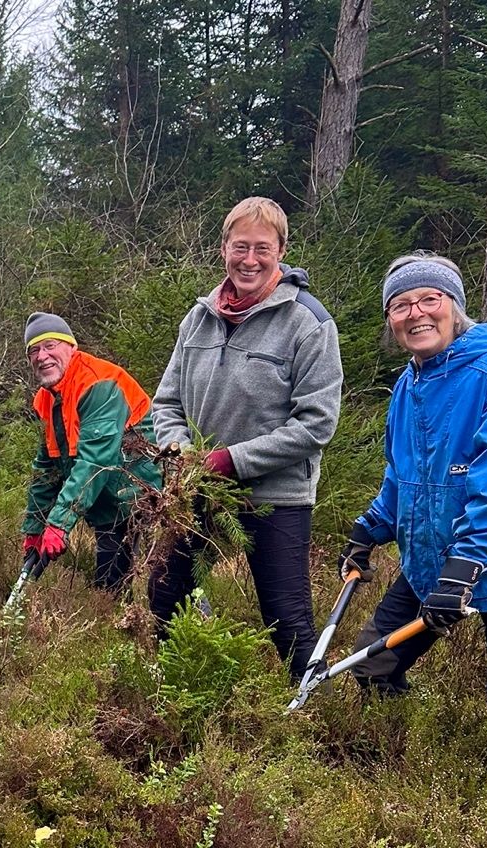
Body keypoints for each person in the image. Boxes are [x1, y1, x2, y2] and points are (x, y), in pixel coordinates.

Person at [150, 196, 343, 680]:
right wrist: (180, 451)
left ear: (281, 251)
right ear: (224, 249)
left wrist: (230, 460)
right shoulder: (199, 318)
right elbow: (166, 402)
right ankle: (175, 693)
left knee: (287, 619)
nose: (250, 259)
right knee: (165, 595)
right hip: (196, 487)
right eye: (240, 246)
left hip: (276, 494)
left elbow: (316, 424)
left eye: (262, 248)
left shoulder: (308, 322)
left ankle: (314, 706)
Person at [338, 254, 487, 748]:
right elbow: (403, 475)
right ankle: (397, 757)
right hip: (430, 563)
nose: (416, 313)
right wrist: (369, 528)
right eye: (401, 304)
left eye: (429, 299)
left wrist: (464, 568)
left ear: (454, 305)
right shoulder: (408, 384)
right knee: (374, 665)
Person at [21, 312, 162, 592]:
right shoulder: (47, 399)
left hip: (145, 498)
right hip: (108, 506)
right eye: (33, 350)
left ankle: (197, 619)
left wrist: (59, 524)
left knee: (168, 583)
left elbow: (95, 462)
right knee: (109, 590)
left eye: (50, 345)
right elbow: (47, 468)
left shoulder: (98, 383)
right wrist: (35, 527)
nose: (42, 356)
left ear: (71, 347)